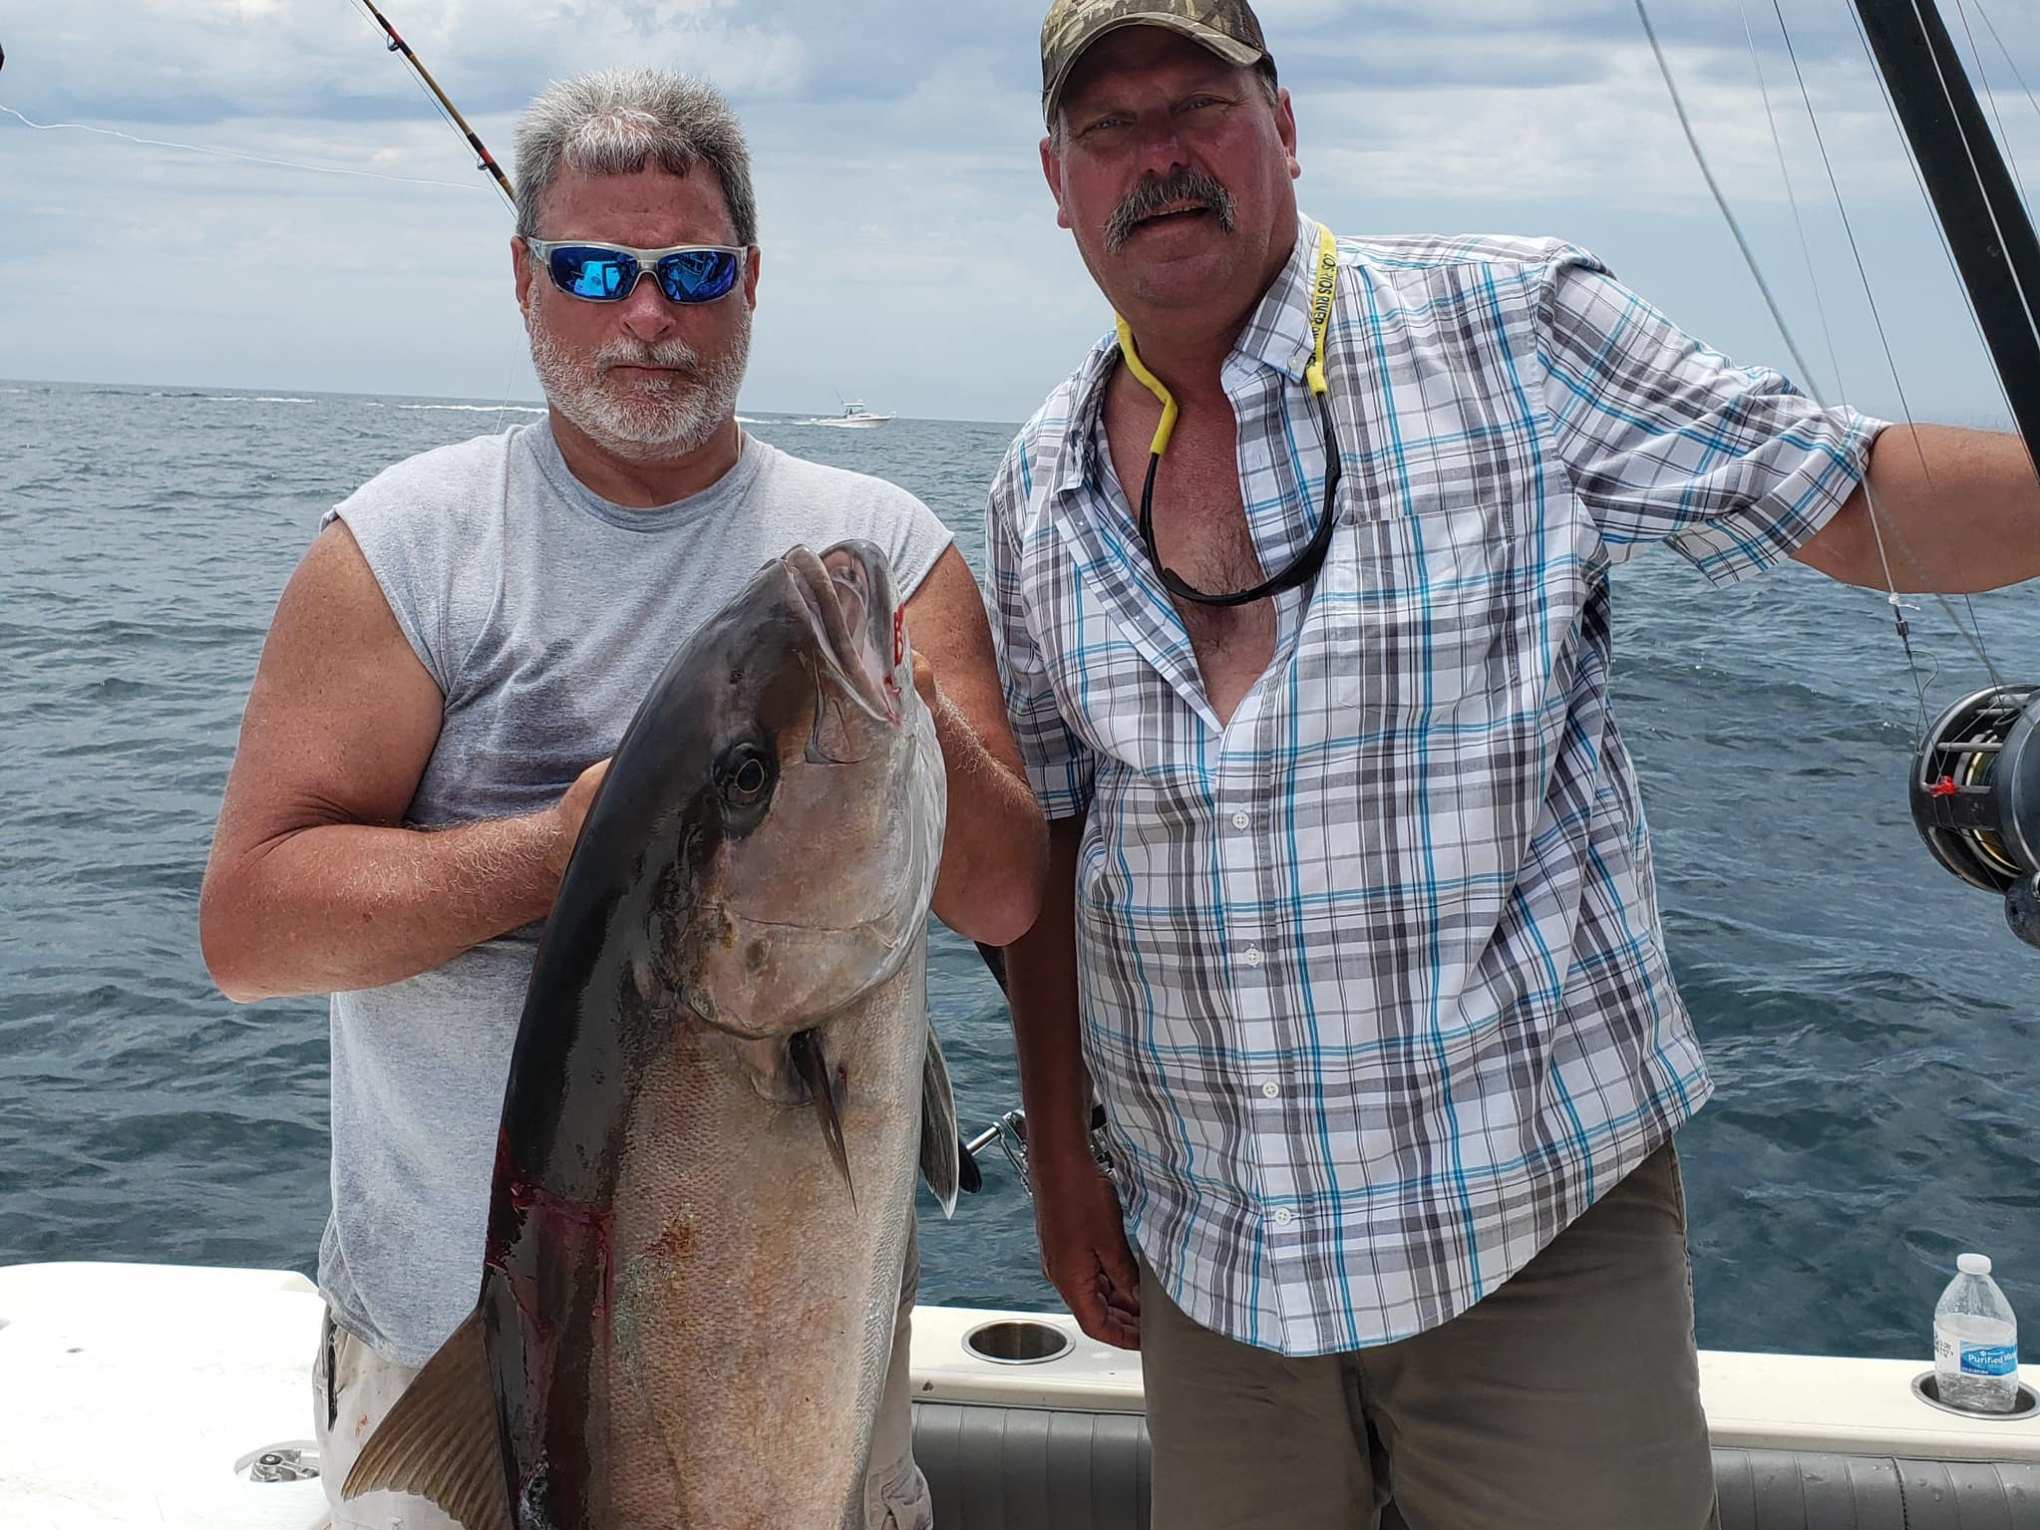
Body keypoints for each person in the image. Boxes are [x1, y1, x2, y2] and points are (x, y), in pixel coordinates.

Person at [989, 3, 2040, 1527]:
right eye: (1110, 128)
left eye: (1199, 106)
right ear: (1058, 177)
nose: (1160, 157)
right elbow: (1057, 850)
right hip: (1213, 1255)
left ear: (1283, 126)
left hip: (1525, 1220)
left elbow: (1841, 489)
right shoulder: (1040, 483)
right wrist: (1065, 1169)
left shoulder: (1506, 320)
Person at [198, 68, 1047, 1530]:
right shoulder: (411, 548)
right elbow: (252, 931)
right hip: (445, 1362)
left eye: (692, 272)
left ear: (753, 284)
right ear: (524, 283)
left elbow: (1008, 891)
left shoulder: (889, 549)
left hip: (803, 1378)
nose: (647, 316)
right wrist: (570, 846)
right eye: (595, 270)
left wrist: (894, 725)